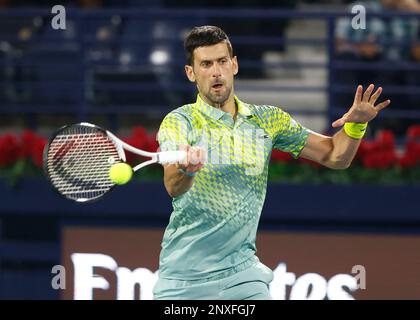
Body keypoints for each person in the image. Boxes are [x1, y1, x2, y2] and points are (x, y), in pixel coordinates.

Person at [153, 25, 390, 300]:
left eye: (222, 61)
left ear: (235, 65)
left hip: (244, 278)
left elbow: (335, 156)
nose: (216, 71)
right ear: (191, 73)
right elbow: (173, 185)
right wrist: (186, 169)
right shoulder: (180, 122)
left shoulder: (268, 120)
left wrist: (357, 125)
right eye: (206, 64)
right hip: (184, 281)